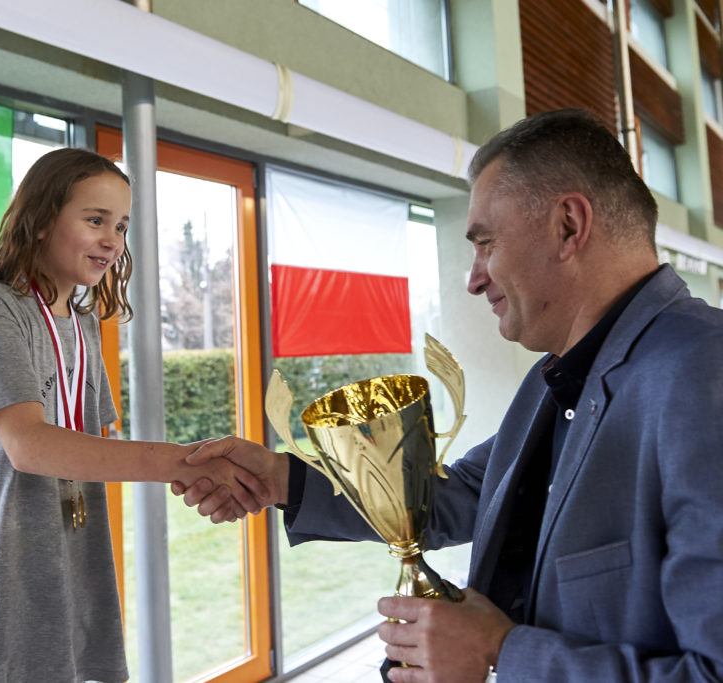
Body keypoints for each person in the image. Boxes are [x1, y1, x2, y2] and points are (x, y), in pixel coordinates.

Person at [174, 109, 723, 682]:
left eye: (485, 243)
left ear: (568, 226)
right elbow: (461, 492)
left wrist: (501, 651)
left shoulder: (704, 374)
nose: (474, 277)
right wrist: (281, 480)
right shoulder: (555, 377)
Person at [0, 147, 265, 682]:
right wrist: (185, 462)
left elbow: (92, 444)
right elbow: (31, 445)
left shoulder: (82, 324)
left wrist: (198, 469)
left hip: (67, 547)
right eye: (95, 219)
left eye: (122, 226)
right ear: (39, 221)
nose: (113, 239)